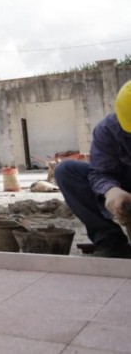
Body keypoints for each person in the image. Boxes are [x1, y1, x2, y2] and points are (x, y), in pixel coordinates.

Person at [55, 80, 131, 258]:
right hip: (124, 181)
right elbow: (100, 172)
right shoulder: (108, 130)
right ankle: (110, 242)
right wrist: (111, 191)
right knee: (66, 171)